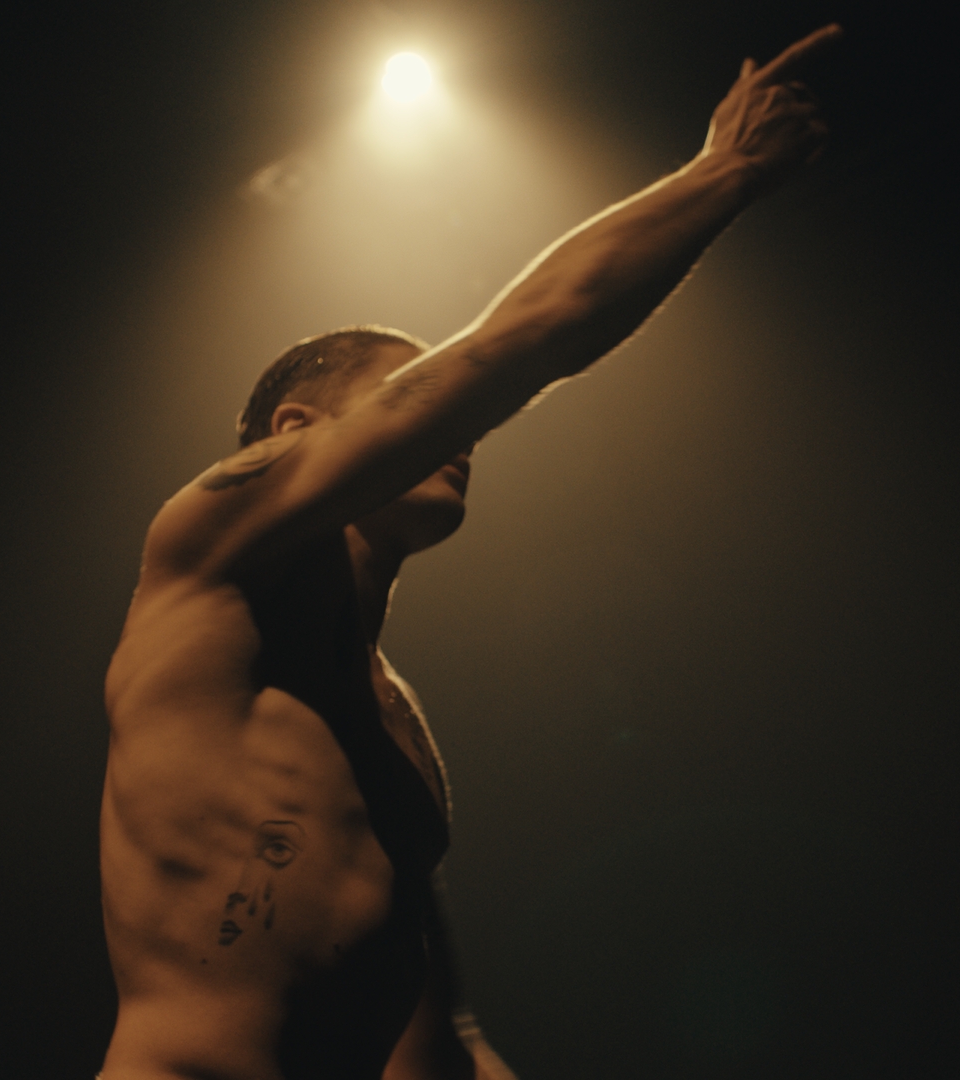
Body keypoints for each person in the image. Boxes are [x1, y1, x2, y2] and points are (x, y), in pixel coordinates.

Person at [98, 24, 842, 1080]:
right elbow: (518, 341)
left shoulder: (396, 729)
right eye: (407, 399)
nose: (460, 434)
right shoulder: (212, 545)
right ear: (296, 432)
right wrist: (721, 172)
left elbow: (438, 1034)